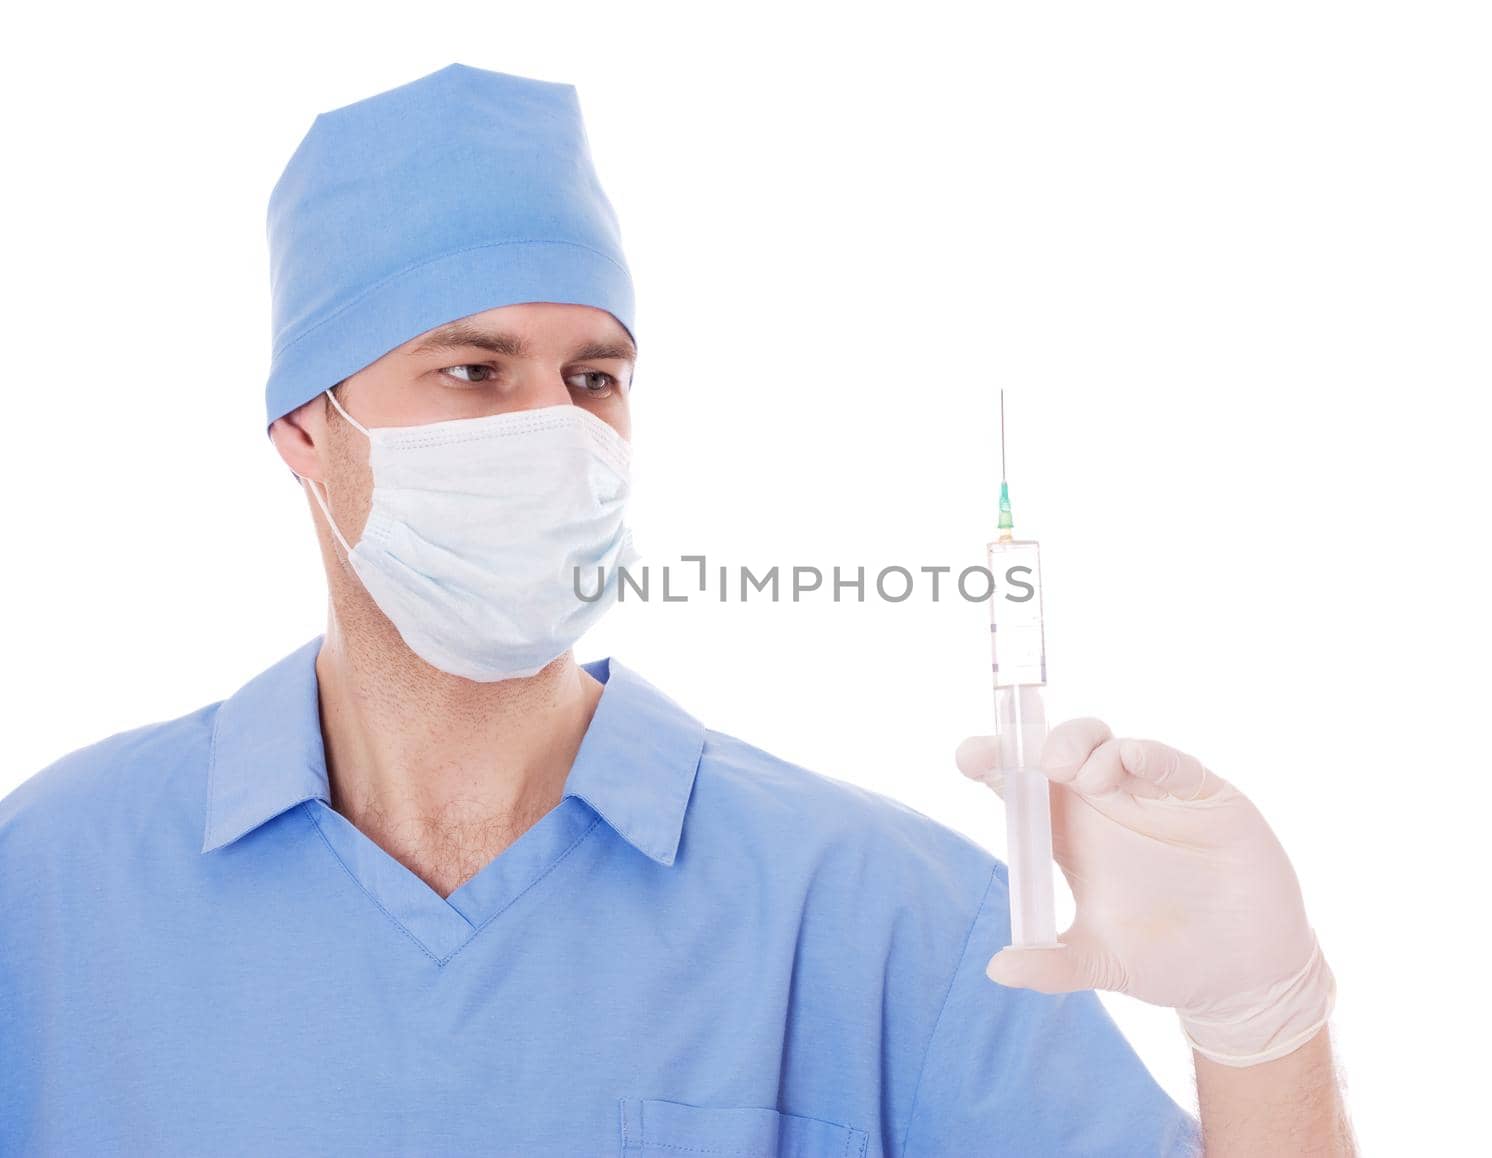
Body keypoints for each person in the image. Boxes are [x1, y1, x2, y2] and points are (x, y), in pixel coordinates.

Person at [0, 63, 1352, 1155]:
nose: (553, 430)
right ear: (306, 429)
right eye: (473, 370)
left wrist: (1262, 1027)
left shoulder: (884, 917)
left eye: (595, 379)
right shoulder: (53, 888)